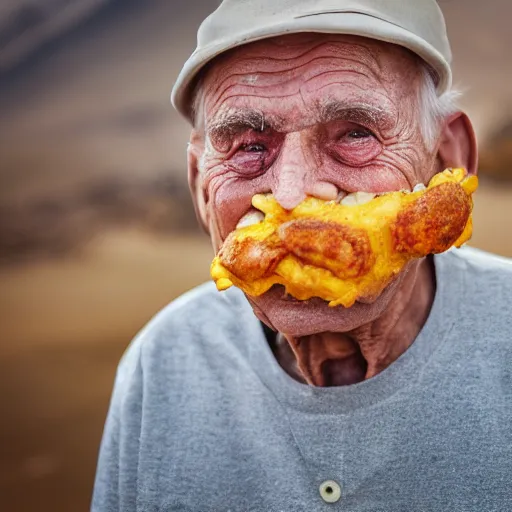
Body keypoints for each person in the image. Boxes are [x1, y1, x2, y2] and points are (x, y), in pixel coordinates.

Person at [92, 1, 512, 511]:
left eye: (356, 134)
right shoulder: (160, 366)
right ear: (201, 188)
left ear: (449, 159)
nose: (290, 194)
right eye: (248, 145)